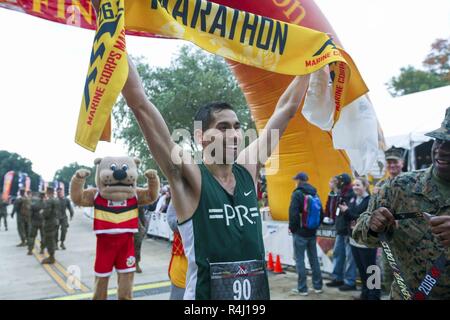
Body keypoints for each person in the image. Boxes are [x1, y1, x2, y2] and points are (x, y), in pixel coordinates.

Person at [121, 55, 311, 300]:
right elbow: (140, 104)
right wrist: (118, 43)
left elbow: (285, 111)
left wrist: (311, 63)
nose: (233, 134)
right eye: (223, 127)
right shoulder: (190, 177)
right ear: (201, 137)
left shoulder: (247, 170)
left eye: (236, 126)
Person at [353, 107, 450, 300]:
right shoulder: (399, 187)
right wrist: (373, 225)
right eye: (439, 141)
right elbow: (360, 234)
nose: (441, 150)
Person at [340, 177, 380, 300]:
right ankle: (365, 293)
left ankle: (374, 295)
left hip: (367, 241)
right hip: (354, 240)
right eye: (354, 185)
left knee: (371, 269)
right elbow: (350, 218)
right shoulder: (352, 199)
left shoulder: (370, 201)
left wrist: (347, 212)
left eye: (358, 185)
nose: (355, 187)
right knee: (362, 270)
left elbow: (362, 219)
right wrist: (349, 214)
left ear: (365, 186)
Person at [373, 146, 405, 294]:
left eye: (395, 162)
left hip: (408, 239)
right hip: (387, 239)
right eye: (389, 162)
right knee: (386, 275)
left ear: (402, 163)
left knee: (407, 277)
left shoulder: (414, 183)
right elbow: (372, 211)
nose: (392, 165)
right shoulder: (380, 185)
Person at [288, 172, 323, 296]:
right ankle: (318, 286)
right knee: (314, 259)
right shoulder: (314, 193)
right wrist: (314, 228)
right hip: (312, 232)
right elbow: (321, 213)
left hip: (300, 233)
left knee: (300, 260)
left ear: (298, 180)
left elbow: (293, 213)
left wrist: (293, 229)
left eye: (295, 179)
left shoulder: (297, 193)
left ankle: (302, 288)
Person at [326, 173, 357, 291]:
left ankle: (350, 281)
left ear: (343, 182)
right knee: (338, 254)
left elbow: (350, 212)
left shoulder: (351, 194)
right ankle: (337, 278)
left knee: (350, 257)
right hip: (340, 229)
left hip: (347, 231)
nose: (336, 183)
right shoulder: (340, 193)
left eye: (338, 181)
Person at [167, 201, 187, 300]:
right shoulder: (180, 192)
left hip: (208, 258)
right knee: (179, 294)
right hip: (183, 256)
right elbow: (172, 221)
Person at [41, 186, 59, 264]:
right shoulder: (56, 200)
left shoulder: (49, 201)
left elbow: (46, 214)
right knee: (52, 238)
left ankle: (51, 257)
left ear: (48, 192)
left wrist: (42, 213)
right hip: (55, 221)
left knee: (49, 240)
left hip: (49, 223)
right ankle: (52, 256)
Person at [134, 206, 146, 273]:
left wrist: (143, 225)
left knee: (137, 242)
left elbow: (141, 212)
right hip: (124, 219)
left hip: (136, 220)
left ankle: (136, 262)